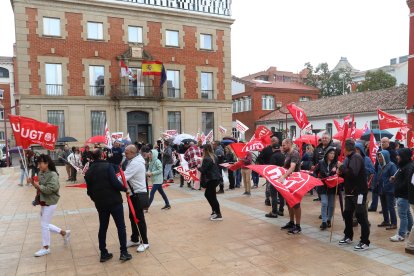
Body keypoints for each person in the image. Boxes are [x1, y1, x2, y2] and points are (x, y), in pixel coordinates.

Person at [85, 148, 132, 262]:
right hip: (114, 201)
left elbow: (89, 192)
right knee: (120, 226)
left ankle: (103, 253)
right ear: (102, 155)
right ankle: (123, 252)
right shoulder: (108, 167)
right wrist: (124, 188)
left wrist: (96, 199)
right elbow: (115, 183)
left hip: (100, 204)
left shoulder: (89, 171)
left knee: (103, 227)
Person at [27, 154, 71, 257]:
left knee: (44, 225)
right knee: (45, 224)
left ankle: (46, 247)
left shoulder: (53, 175)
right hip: (43, 201)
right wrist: (33, 183)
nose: (39, 165)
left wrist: (38, 185)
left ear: (47, 163)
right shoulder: (41, 173)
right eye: (38, 163)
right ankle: (64, 233)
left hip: (50, 202)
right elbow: (39, 188)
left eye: (40, 163)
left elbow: (51, 189)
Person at [338, 139, 370, 251]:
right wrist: (340, 173)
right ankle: (348, 236)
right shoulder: (349, 158)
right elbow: (347, 175)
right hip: (350, 193)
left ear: (346, 149)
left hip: (358, 192)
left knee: (361, 216)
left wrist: (341, 167)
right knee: (347, 214)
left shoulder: (356, 157)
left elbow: (352, 174)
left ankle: (365, 241)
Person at [123, 145, 150, 253]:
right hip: (133, 195)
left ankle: (145, 242)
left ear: (133, 153)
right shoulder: (132, 161)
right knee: (132, 217)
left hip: (138, 195)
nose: (125, 154)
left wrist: (112, 180)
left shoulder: (136, 163)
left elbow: (124, 177)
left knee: (139, 218)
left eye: (127, 152)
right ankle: (135, 239)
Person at [390, 148, 413, 242]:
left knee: (402, 215)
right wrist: (395, 179)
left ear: (404, 156)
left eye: (399, 155)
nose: (397, 156)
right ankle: (410, 230)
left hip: (403, 195)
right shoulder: (404, 165)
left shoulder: (408, 167)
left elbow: (407, 182)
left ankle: (401, 234)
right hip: (404, 195)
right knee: (407, 213)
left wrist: (397, 186)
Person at [279, 138, 302, 234]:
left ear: (289, 144)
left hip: (295, 182)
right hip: (289, 182)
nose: (282, 147)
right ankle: (292, 222)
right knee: (289, 203)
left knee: (296, 204)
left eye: (284, 145)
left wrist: (283, 176)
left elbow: (292, 167)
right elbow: (286, 167)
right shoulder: (287, 154)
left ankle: (298, 225)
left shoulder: (294, 153)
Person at [313, 147, 338, 230]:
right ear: (327, 154)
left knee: (331, 205)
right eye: (331, 153)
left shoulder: (336, 164)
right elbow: (315, 172)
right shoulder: (321, 163)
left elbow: (340, 174)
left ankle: (328, 220)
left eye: (334, 154)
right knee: (324, 203)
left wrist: (338, 171)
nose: (332, 155)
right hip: (323, 186)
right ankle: (323, 221)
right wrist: (317, 178)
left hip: (332, 187)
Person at [369, 137, 397, 211]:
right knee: (375, 189)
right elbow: (377, 162)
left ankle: (386, 207)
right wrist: (374, 171)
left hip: (387, 174)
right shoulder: (379, 150)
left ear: (388, 142)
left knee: (385, 191)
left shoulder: (392, 152)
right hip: (378, 172)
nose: (383, 143)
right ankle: (373, 206)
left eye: (384, 142)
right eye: (381, 142)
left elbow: (394, 164)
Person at [199, 144, 223, 221]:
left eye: (203, 149)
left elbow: (203, 170)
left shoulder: (206, 158)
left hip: (212, 179)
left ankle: (218, 214)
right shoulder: (214, 156)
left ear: (205, 150)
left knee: (210, 195)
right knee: (211, 195)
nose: (202, 151)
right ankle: (215, 211)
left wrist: (197, 167)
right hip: (215, 178)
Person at [375, 150, 398, 230]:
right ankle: (386, 221)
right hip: (381, 189)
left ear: (386, 156)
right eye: (379, 156)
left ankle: (394, 223)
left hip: (389, 190)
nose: (380, 158)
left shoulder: (391, 165)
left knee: (390, 207)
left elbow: (394, 178)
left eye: (381, 156)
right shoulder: (379, 166)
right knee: (384, 206)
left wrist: (388, 184)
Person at [312, 133, 338, 201]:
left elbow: (336, 159)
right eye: (323, 138)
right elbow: (313, 158)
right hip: (319, 169)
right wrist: (312, 165)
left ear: (329, 139)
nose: (324, 139)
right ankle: (320, 196)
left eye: (326, 138)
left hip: (329, 171)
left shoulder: (333, 148)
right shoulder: (317, 148)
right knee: (320, 185)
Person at [257, 137, 279, 205]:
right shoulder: (266, 149)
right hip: (268, 170)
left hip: (276, 170)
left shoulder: (277, 149)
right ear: (273, 142)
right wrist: (264, 165)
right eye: (276, 142)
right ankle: (267, 199)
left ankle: (275, 199)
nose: (277, 143)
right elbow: (259, 158)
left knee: (276, 185)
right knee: (268, 186)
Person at [265, 143, 285, 218]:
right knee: (281, 195)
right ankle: (281, 210)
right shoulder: (283, 155)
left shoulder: (273, 156)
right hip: (282, 177)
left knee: (273, 195)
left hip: (274, 178)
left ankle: (274, 212)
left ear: (273, 149)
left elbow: (271, 168)